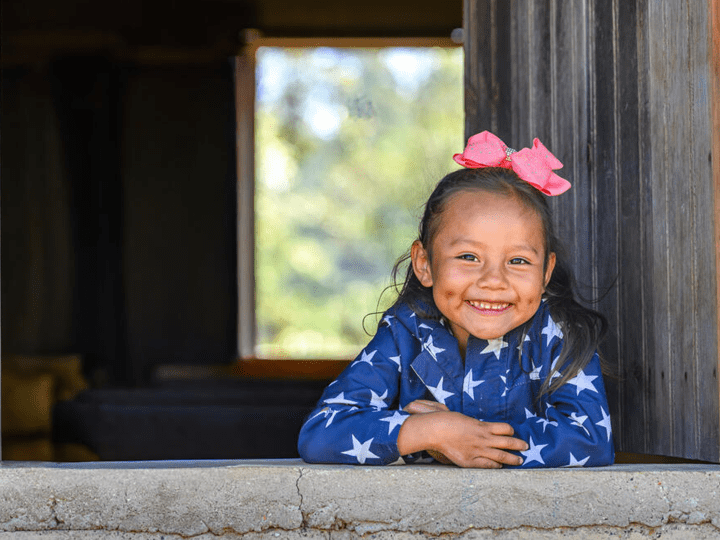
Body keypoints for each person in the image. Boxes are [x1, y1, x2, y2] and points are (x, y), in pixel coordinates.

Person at [297, 131, 615, 468]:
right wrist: (430, 432)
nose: (494, 281)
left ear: (546, 272)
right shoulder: (406, 331)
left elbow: (590, 441)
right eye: (468, 257)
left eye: (518, 261)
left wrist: (463, 439)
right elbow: (321, 433)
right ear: (424, 264)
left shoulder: (558, 335)